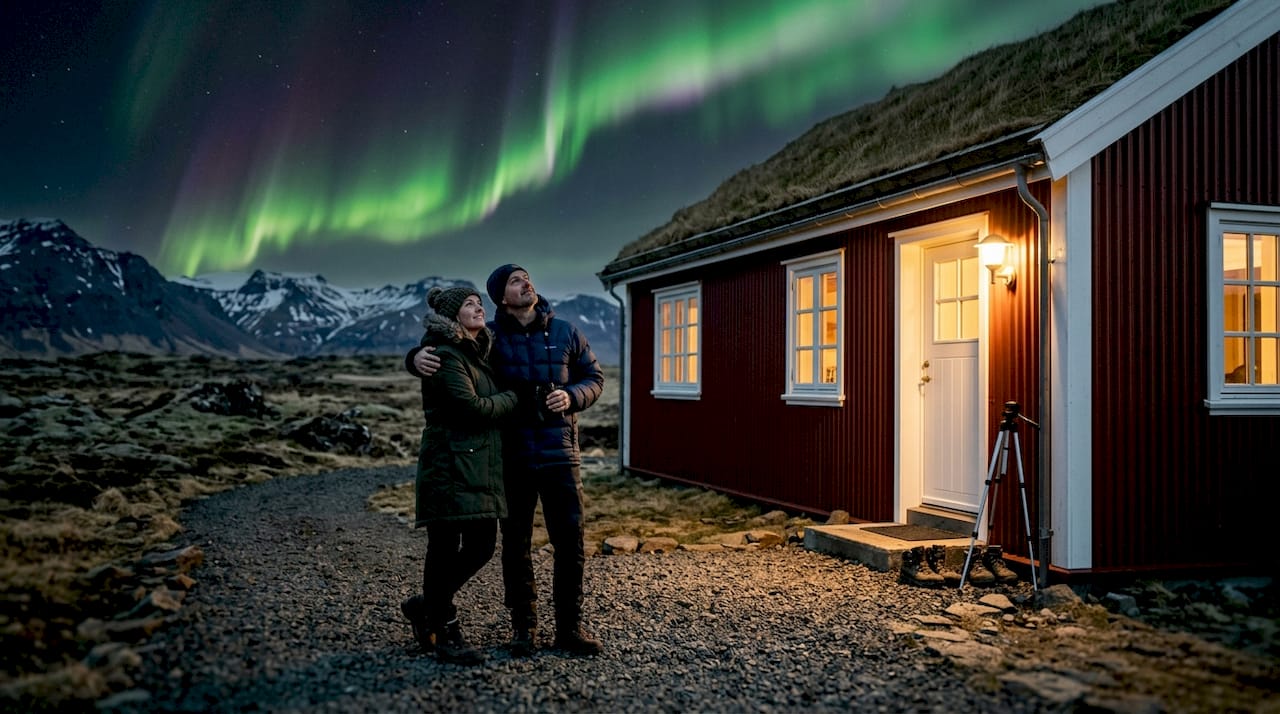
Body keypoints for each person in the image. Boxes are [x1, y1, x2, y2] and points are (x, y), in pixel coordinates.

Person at [409, 264, 605, 656]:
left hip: (560, 454)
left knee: (571, 543)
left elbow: (594, 377)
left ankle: (569, 628)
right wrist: (414, 357)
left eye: (527, 277)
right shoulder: (490, 337)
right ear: (502, 296)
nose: (526, 283)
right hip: (511, 458)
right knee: (515, 546)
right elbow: (448, 345)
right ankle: (524, 629)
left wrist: (573, 396)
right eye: (516, 281)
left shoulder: (567, 332)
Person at [400, 285, 520, 665]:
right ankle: (444, 625)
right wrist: (512, 398)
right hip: (449, 465)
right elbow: (469, 408)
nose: (477, 308)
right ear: (453, 317)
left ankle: (427, 605)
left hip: (473, 464)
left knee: (482, 544)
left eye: (479, 303)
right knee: (445, 546)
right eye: (469, 304)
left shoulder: (478, 350)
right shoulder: (446, 355)